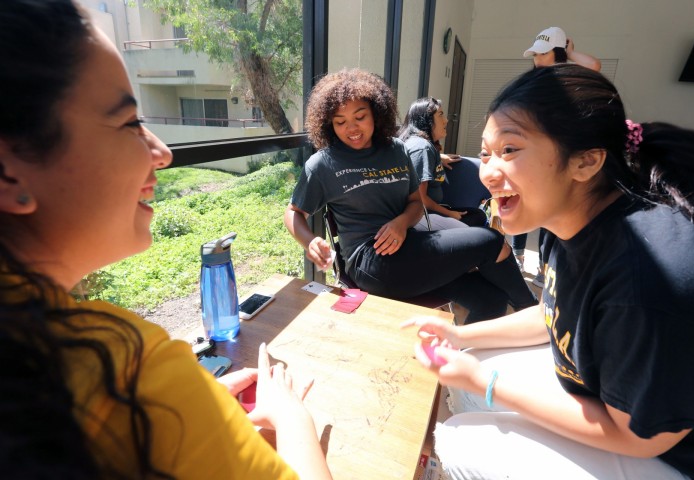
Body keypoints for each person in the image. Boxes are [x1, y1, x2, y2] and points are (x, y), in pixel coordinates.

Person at [0, 2, 333, 478]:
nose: (162, 152)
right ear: (8, 171)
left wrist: (196, 411)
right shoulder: (131, 370)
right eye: (129, 122)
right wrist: (292, 416)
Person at [404, 64, 694, 479]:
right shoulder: (567, 218)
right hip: (607, 401)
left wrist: (486, 381)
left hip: (674, 458)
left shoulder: (649, 279)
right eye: (486, 152)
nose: (487, 172)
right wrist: (459, 334)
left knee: (460, 438)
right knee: (466, 369)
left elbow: (638, 435)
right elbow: (553, 311)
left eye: (510, 150)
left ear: (585, 162)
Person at [284, 68, 536, 323]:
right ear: (329, 124)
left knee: (490, 299)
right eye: (340, 122)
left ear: (376, 112)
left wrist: (401, 223)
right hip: (371, 262)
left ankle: (461, 355)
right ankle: (536, 316)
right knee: (490, 240)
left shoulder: (396, 150)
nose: (352, 128)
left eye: (360, 116)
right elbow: (294, 213)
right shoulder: (323, 164)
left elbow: (416, 202)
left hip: (411, 249)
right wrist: (310, 241)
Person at [513, 26, 602, 283]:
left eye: (543, 53)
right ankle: (518, 257)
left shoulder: (568, 78)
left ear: (558, 52)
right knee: (523, 202)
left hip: (558, 157)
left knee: (551, 213)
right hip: (531, 155)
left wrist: (571, 54)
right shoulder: (532, 83)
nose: (538, 59)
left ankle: (544, 269)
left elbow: (594, 65)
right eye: (535, 54)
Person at [398, 97, 488, 230]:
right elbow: (420, 200)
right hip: (420, 215)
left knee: (478, 215)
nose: (446, 120)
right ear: (426, 119)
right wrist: (450, 214)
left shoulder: (421, 145)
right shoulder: (422, 148)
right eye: (440, 115)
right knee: (473, 226)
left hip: (430, 210)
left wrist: (438, 159)